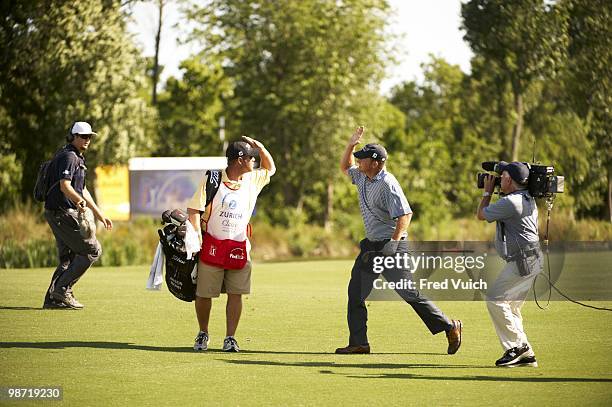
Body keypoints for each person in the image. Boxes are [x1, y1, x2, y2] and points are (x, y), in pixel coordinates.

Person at [336, 126, 462, 354]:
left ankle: (450, 326)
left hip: (392, 245)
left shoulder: (388, 184)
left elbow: (405, 215)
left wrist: (393, 244)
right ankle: (359, 343)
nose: (359, 162)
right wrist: (351, 144)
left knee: (408, 292)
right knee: (355, 292)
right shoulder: (363, 176)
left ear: (375, 162)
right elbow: (345, 167)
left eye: (363, 159)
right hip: (371, 246)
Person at [187, 136, 275, 352]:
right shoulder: (213, 178)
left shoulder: (252, 180)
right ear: (239, 160)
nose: (254, 161)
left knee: (236, 293)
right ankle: (203, 332)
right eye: (250, 158)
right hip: (212, 245)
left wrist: (260, 147)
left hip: (239, 246)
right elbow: (194, 210)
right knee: (204, 294)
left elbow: (270, 168)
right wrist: (197, 236)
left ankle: (230, 337)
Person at [477, 161, 542, 367]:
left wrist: (487, 192)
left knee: (495, 300)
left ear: (509, 180)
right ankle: (526, 353)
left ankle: (516, 347)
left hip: (523, 261)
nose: (498, 179)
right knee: (512, 308)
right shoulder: (525, 197)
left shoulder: (511, 202)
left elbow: (481, 214)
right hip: (530, 259)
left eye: (502, 176)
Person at [43, 121, 113, 309]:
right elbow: (64, 186)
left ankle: (53, 299)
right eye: (83, 136)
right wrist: (78, 201)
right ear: (73, 136)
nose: (87, 140)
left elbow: (81, 191)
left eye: (89, 136)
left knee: (68, 257)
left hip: (58, 212)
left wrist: (100, 215)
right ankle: (62, 290)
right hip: (62, 213)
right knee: (92, 250)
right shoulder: (69, 157)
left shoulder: (74, 156)